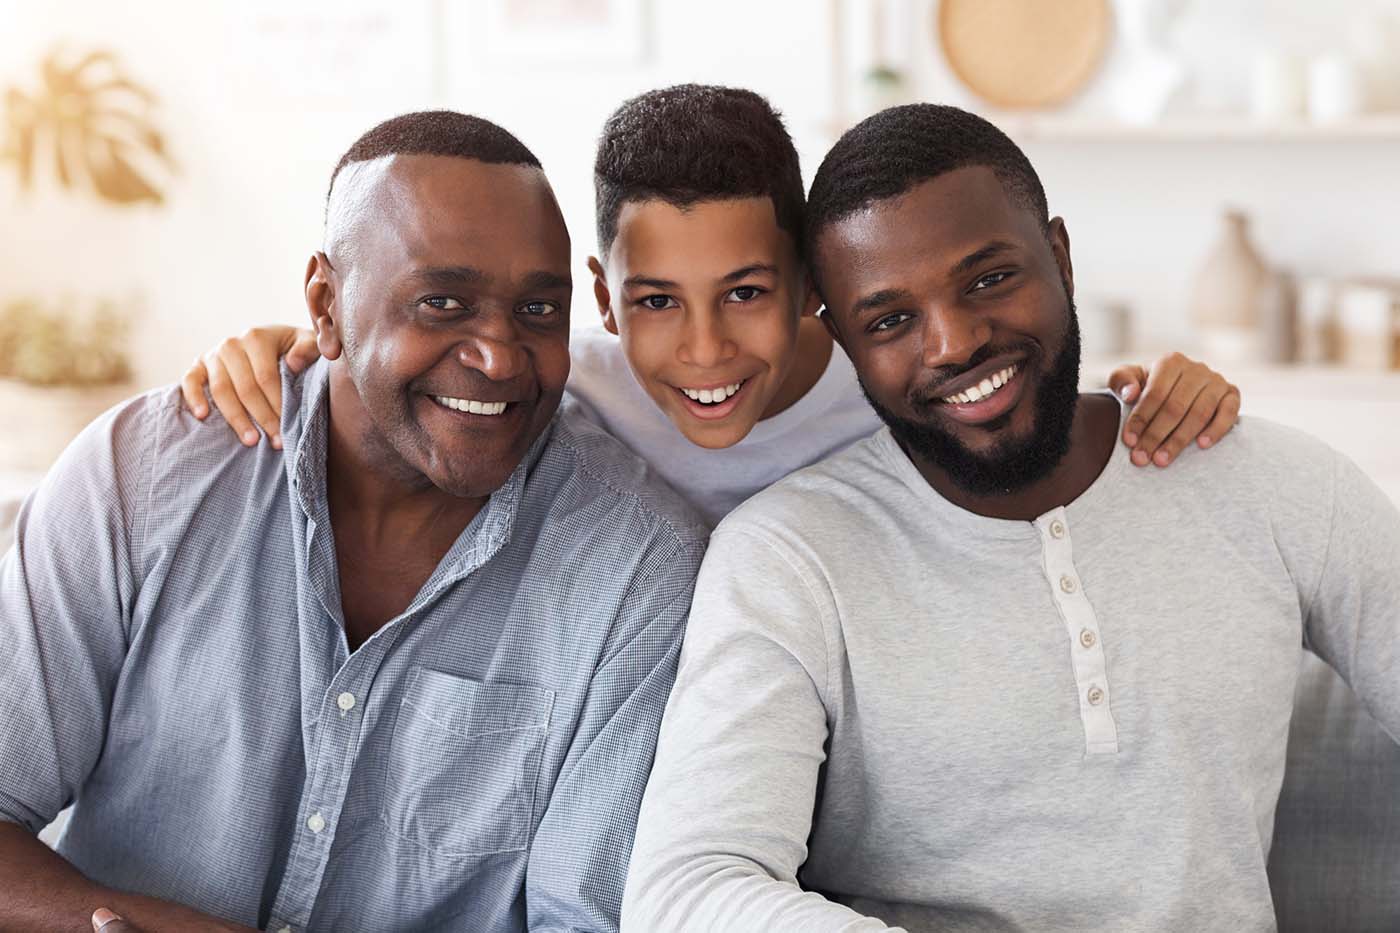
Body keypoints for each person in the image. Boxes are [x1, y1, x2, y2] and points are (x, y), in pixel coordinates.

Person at [621, 104, 1400, 932]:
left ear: (1059, 256)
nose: (953, 342)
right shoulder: (786, 559)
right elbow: (687, 891)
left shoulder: (1274, 482)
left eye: (989, 279)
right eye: (890, 320)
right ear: (843, 339)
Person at [0, 111, 707, 933]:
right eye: (443, 302)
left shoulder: (637, 565)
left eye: (539, 311)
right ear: (325, 306)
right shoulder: (143, 474)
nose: (500, 355)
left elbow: (581, 921)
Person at [181, 86, 1241, 529]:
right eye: (653, 301)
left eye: (743, 293)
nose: (700, 351)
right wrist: (288, 351)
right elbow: (389, 368)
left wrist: (1148, 385)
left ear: (809, 291)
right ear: (599, 299)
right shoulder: (559, 389)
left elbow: (1014, 406)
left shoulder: (889, 390)